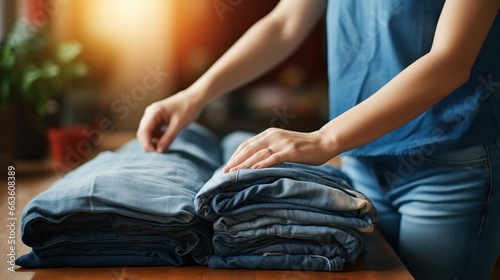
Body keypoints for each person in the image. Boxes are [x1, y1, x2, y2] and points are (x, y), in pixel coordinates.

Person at [137, 1, 500, 279]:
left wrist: (325, 139)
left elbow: (451, 59)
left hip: (450, 163)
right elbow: (285, 22)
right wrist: (194, 95)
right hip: (362, 161)